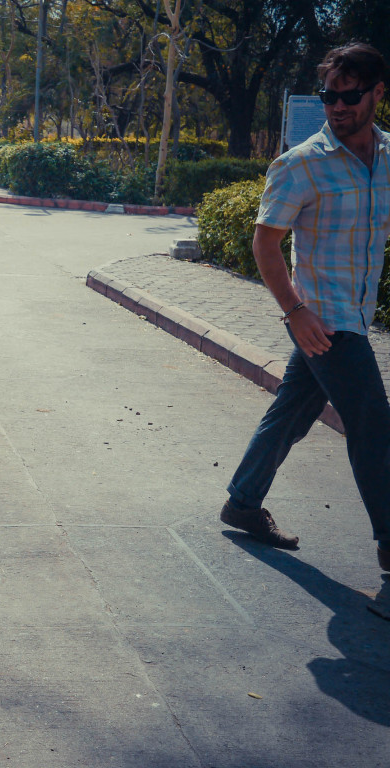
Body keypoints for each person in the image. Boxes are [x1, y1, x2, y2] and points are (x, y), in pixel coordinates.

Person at [220, 42, 390, 572]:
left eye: (350, 96)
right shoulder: (300, 165)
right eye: (329, 97)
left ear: (378, 93)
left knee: (293, 409)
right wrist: (295, 312)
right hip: (320, 320)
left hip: (355, 314)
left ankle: (243, 502)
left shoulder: (388, 159)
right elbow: (265, 245)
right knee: (373, 428)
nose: (338, 107)